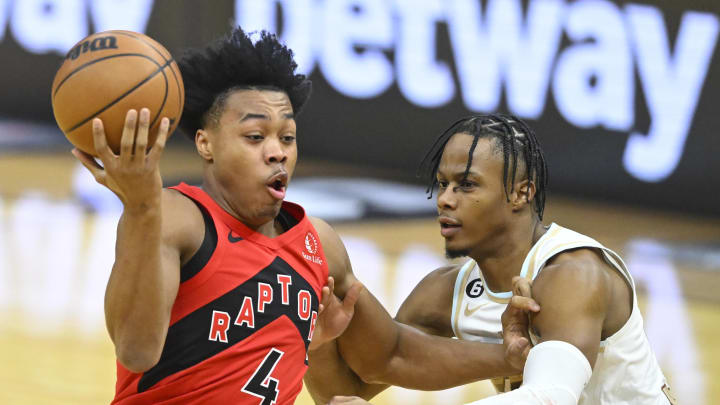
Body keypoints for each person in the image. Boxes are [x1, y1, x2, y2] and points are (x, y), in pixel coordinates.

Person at [72, 28, 532, 404]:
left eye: (287, 137)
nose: (277, 153)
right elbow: (136, 350)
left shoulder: (318, 245)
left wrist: (508, 357)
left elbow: (387, 356)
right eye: (255, 136)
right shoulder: (177, 216)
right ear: (205, 144)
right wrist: (141, 206)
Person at [313, 115, 674, 405]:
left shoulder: (573, 274)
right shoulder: (444, 292)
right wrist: (318, 341)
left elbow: (550, 397)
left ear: (521, 192)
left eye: (466, 184)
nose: (445, 199)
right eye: (443, 184)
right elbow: (353, 387)